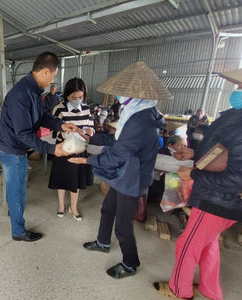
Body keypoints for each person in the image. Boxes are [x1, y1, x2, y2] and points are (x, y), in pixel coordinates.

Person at [153, 61, 242, 300]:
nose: (238, 90)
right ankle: (210, 290)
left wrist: (193, 174)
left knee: (187, 245)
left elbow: (240, 179)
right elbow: (226, 152)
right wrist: (197, 155)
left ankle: (178, 290)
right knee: (208, 243)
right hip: (224, 200)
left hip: (220, 201)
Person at [69, 61, 169, 279]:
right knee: (107, 209)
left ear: (137, 94)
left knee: (123, 224)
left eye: (123, 93)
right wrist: (92, 136)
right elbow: (118, 139)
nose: (120, 97)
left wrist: (87, 161)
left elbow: (118, 153)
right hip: (125, 173)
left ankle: (131, 263)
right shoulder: (137, 112)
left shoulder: (141, 120)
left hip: (131, 177)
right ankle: (103, 242)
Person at [0, 52, 81, 242]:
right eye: (53, 75)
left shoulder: (33, 91)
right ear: (45, 72)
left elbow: (42, 116)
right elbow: (23, 134)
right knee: (18, 190)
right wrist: (53, 149)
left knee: (17, 188)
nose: (53, 79)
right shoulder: (21, 94)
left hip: (17, 146)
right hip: (12, 149)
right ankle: (18, 231)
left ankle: (14, 210)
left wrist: (60, 125)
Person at [49, 78, 94, 221]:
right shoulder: (59, 109)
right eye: (74, 98)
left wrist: (89, 132)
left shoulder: (87, 109)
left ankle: (73, 206)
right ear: (67, 95)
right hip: (63, 150)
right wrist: (68, 133)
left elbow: (91, 128)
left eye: (80, 97)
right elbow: (53, 132)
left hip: (80, 150)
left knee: (76, 180)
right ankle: (61, 205)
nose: (77, 100)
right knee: (61, 178)